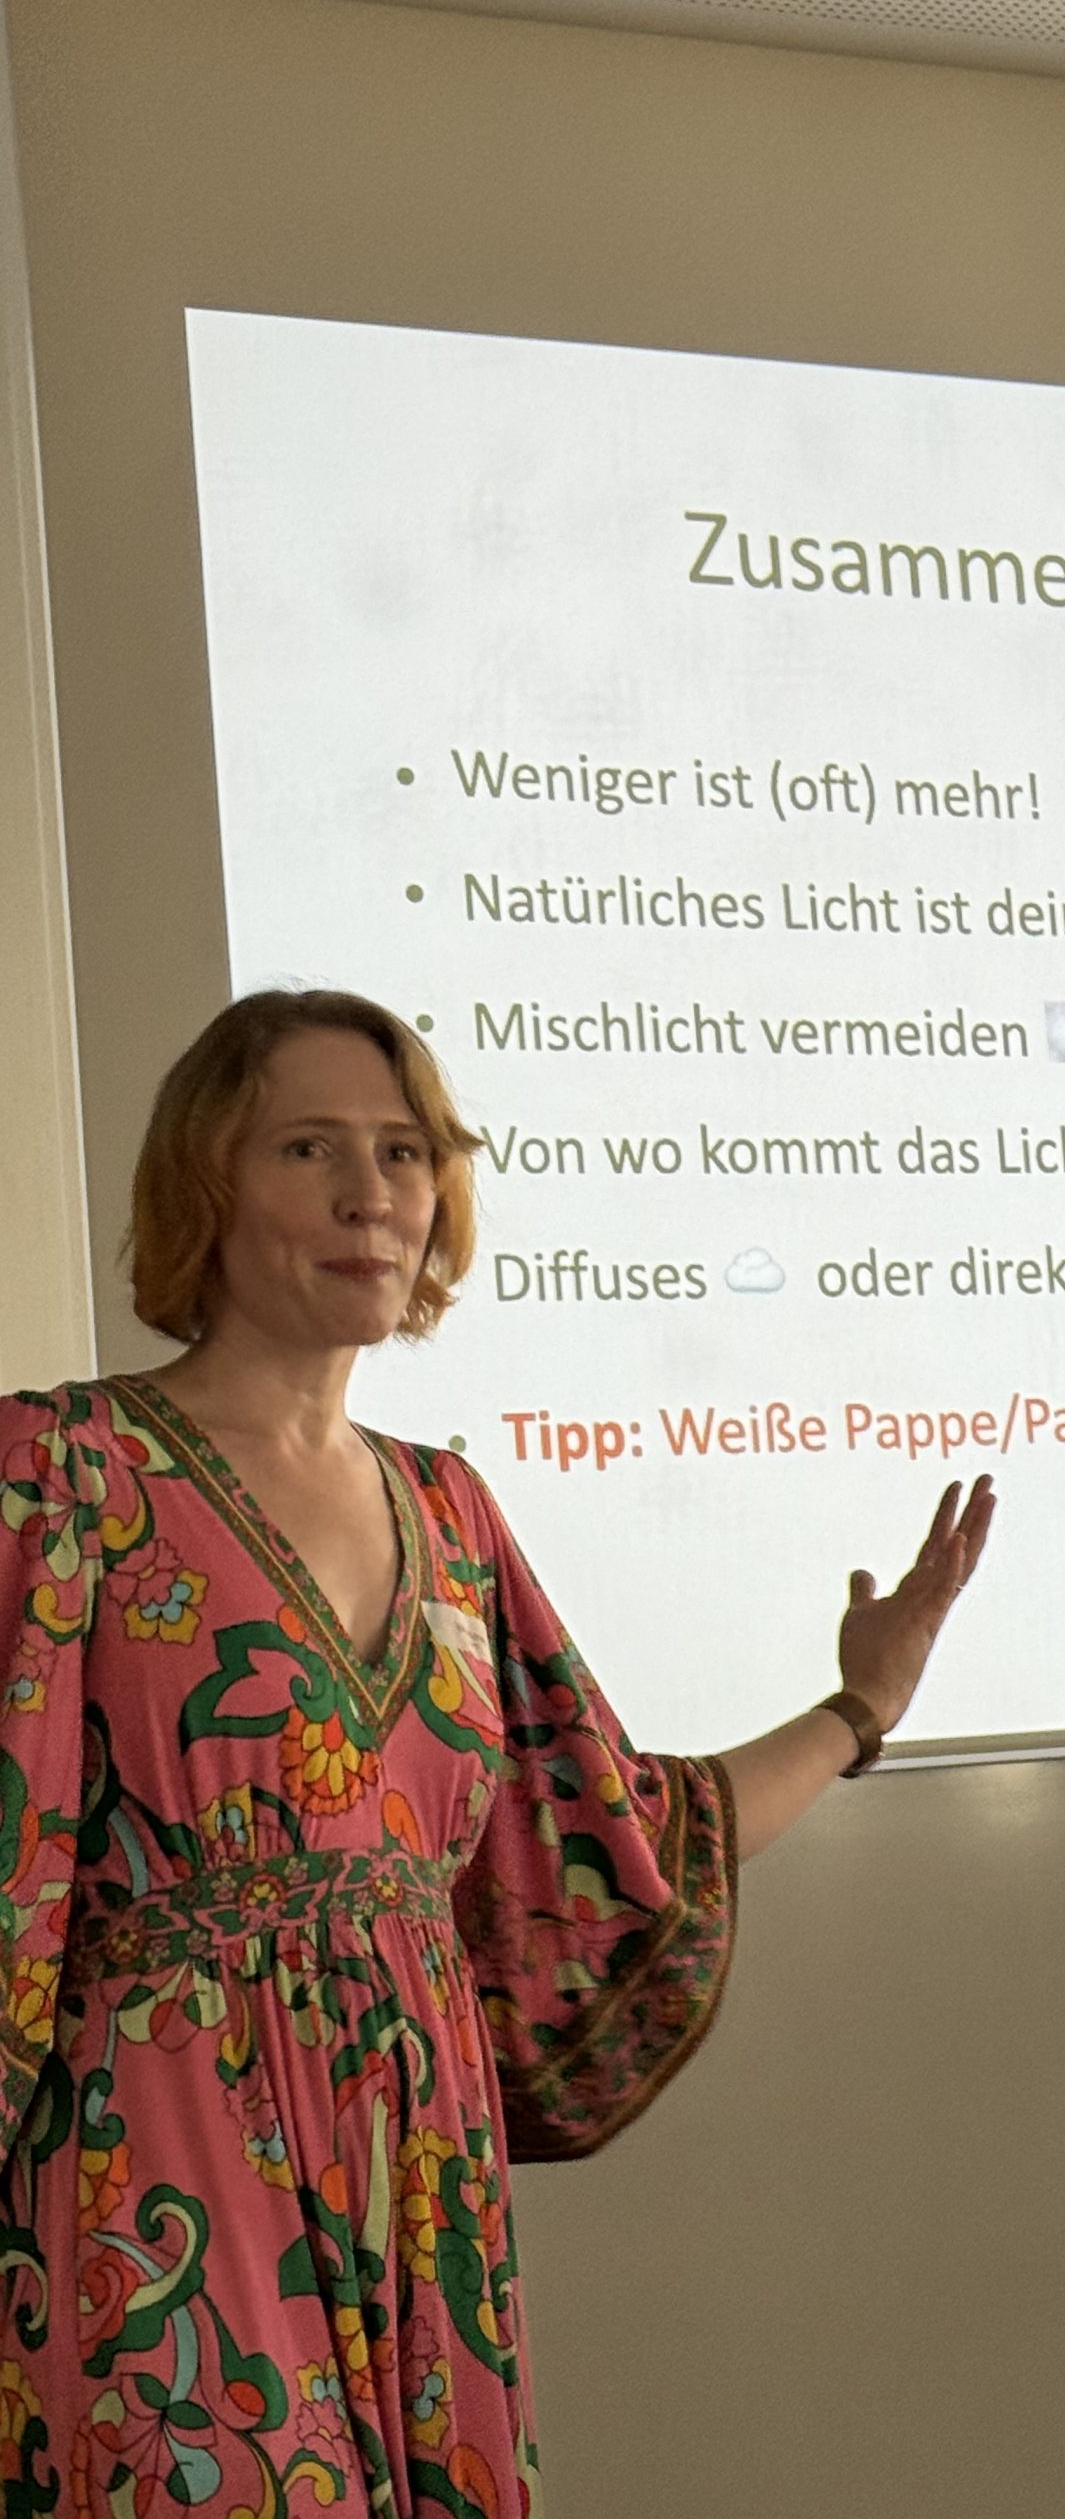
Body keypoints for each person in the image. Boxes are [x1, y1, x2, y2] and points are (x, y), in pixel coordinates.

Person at [0, 987, 993, 2517]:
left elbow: (614, 1841)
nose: (371, 1194)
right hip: (161, 2166)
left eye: (405, 1153)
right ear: (207, 1180)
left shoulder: (451, 1513)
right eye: (311, 1147)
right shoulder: (62, 1469)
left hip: (418, 2183)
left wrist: (862, 1707)